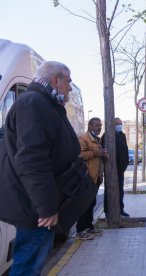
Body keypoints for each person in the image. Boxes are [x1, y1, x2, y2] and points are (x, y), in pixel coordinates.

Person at [0, 61, 80, 275]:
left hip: (35, 205)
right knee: (28, 265)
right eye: (68, 82)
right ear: (56, 80)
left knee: (31, 262)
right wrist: (46, 207)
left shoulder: (43, 103)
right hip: (34, 209)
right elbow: (32, 160)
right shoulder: (34, 104)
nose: (70, 88)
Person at [76, 117, 107, 240]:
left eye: (100, 125)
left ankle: (89, 227)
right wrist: (95, 153)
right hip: (86, 176)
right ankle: (80, 230)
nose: (99, 127)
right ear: (90, 126)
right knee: (84, 204)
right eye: (96, 125)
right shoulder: (83, 138)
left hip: (96, 177)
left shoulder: (96, 139)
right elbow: (79, 155)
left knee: (91, 203)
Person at [102, 117, 130, 218]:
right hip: (111, 169)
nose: (120, 125)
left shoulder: (122, 135)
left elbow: (125, 150)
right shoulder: (107, 135)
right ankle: (108, 211)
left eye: (121, 123)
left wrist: (126, 162)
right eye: (117, 124)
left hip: (121, 168)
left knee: (120, 190)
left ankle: (120, 209)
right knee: (109, 189)